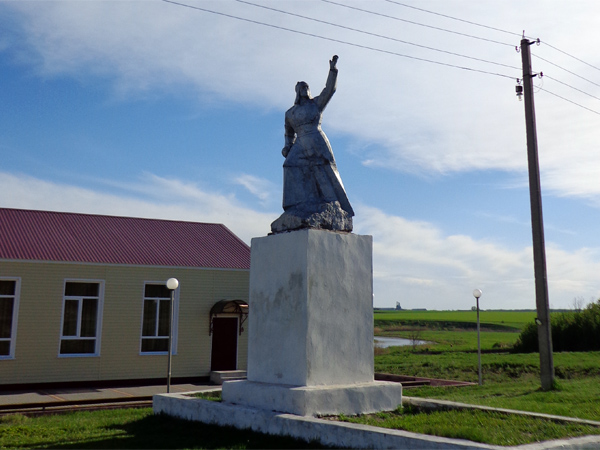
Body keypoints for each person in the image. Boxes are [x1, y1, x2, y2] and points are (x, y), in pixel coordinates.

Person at [271, 55, 354, 233]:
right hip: (300, 143)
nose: (305, 90)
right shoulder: (290, 113)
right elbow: (288, 133)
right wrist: (287, 146)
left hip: (316, 139)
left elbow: (329, 90)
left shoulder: (316, 104)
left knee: (322, 170)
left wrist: (333, 71)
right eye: (302, 88)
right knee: (290, 165)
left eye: (306, 87)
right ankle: (296, 204)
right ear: (297, 91)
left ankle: (332, 202)